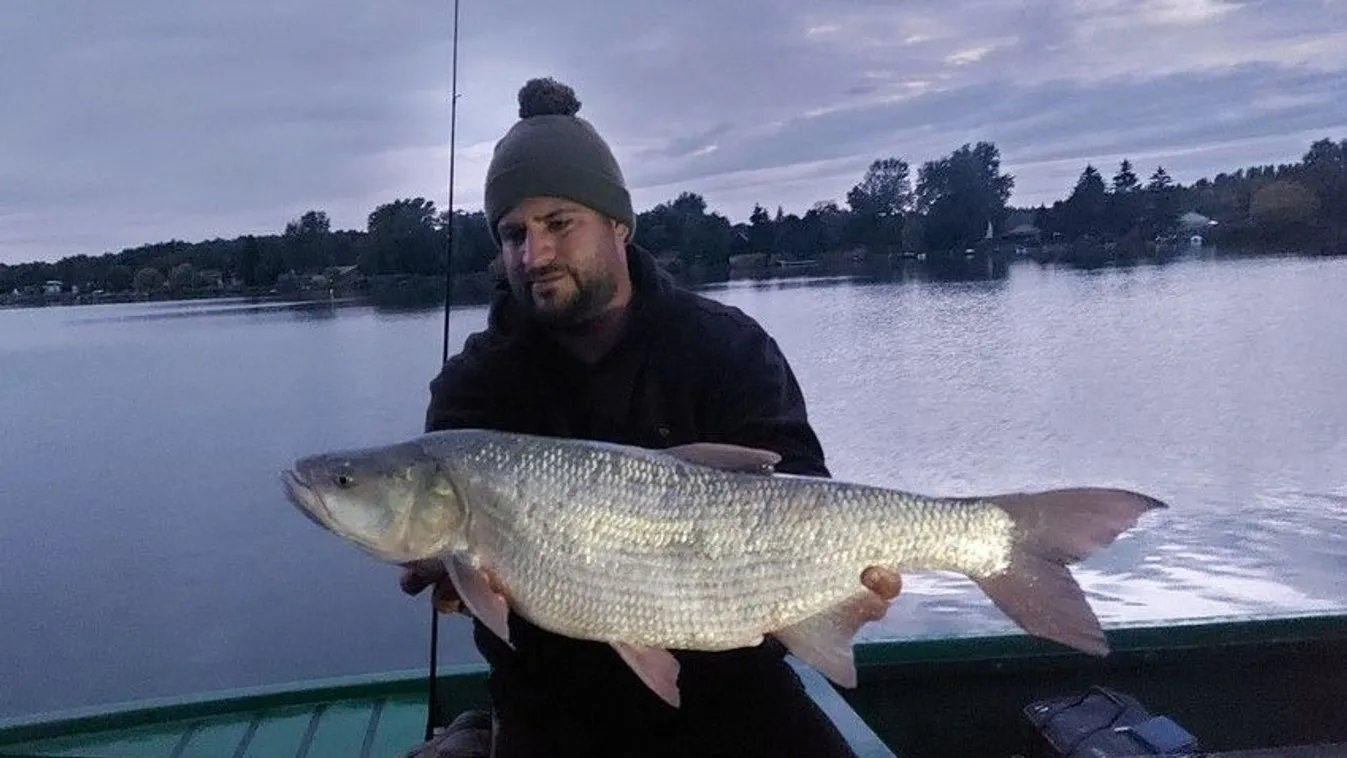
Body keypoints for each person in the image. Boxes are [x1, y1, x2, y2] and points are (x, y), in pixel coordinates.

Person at [400, 76, 903, 757]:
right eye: (512, 233)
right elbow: (448, 564)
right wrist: (449, 575)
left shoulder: (726, 346)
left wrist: (840, 590)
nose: (534, 255)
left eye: (558, 224)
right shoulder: (476, 385)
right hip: (553, 708)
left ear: (618, 224)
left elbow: (802, 491)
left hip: (736, 695)